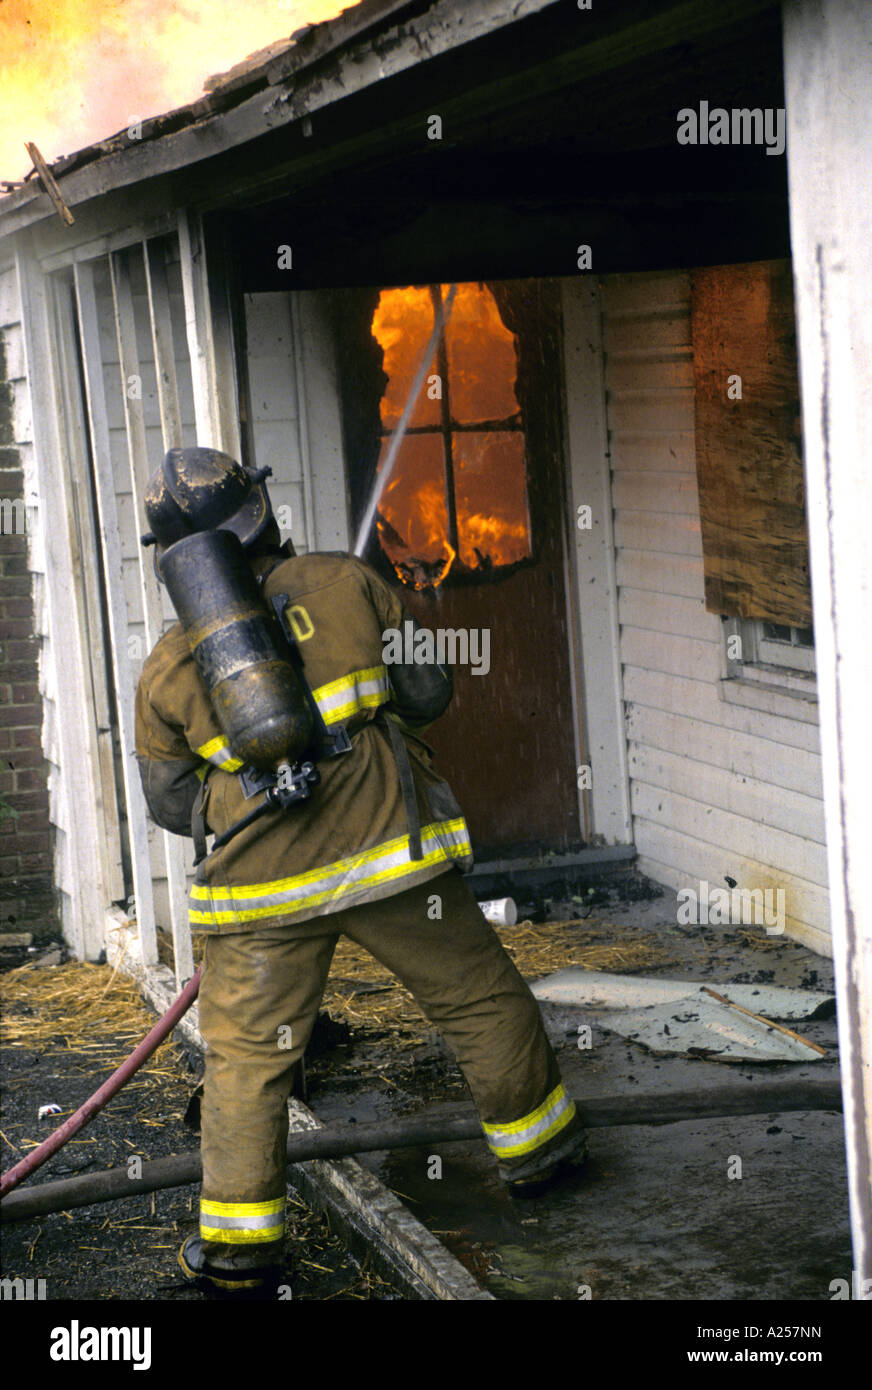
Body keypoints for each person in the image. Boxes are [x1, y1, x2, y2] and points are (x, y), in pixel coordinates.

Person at [135, 447, 588, 1296]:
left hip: (262, 891)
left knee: (246, 1062)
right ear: (258, 515)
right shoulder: (345, 580)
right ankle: (542, 1158)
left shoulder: (165, 668)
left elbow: (168, 804)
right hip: (391, 862)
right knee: (477, 998)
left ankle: (240, 1259)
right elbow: (428, 692)